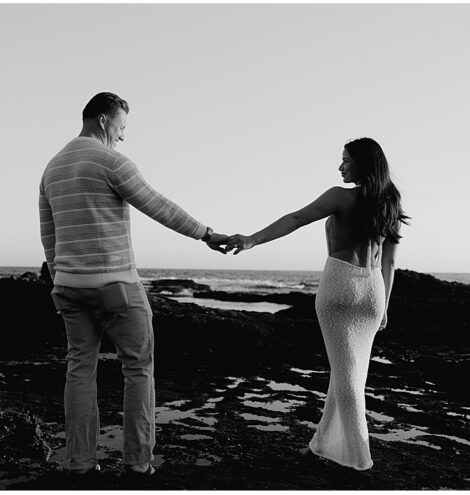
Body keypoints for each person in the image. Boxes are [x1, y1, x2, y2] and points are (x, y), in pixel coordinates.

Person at [39, 92, 229, 476]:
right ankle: (138, 462)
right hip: (115, 286)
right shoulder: (111, 161)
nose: (123, 135)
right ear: (103, 120)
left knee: (79, 370)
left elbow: (49, 234)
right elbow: (158, 205)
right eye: (122, 126)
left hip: (69, 287)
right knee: (138, 368)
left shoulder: (52, 168)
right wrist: (205, 233)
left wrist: (60, 278)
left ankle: (80, 462)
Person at [226, 137, 409, 470]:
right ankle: (321, 445)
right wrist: (384, 307)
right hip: (374, 290)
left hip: (340, 284)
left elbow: (296, 219)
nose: (340, 166)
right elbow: (390, 263)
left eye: (346, 160)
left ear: (363, 163)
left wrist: (252, 240)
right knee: (349, 373)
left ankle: (360, 459)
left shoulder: (340, 196)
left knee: (348, 378)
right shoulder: (390, 204)